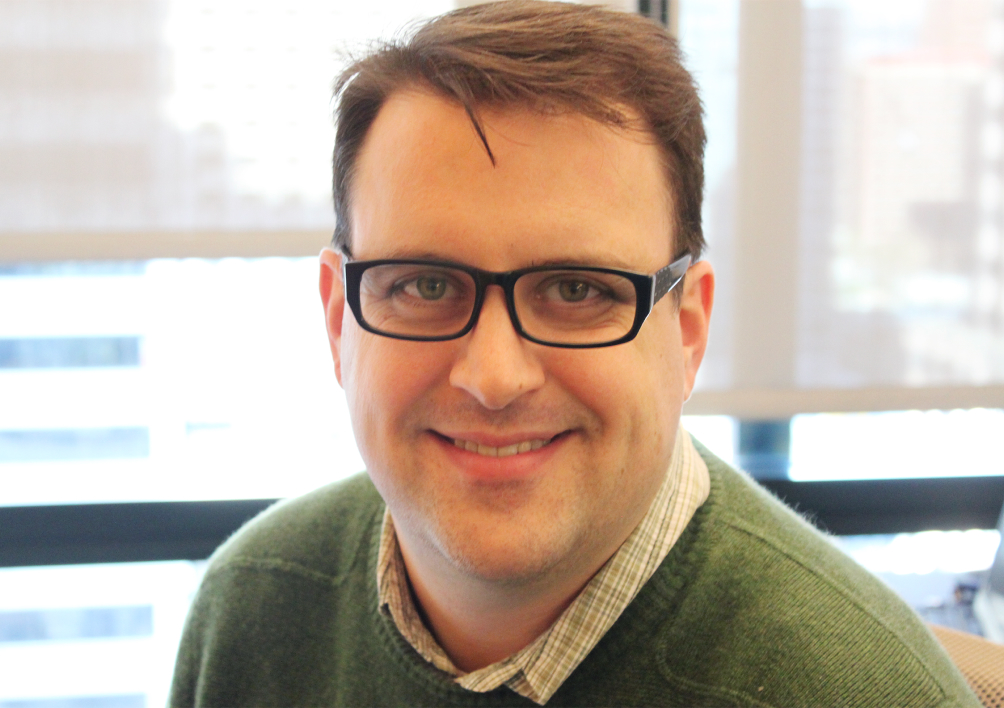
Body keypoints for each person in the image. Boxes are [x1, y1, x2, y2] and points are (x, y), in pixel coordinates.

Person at [169, 2, 980, 706]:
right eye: (422, 286)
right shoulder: (254, 610)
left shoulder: (864, 692)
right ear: (338, 320)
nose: (492, 378)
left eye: (576, 290)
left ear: (687, 330)